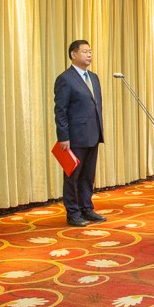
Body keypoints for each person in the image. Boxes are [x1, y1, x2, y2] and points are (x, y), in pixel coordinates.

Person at [54, 40, 106, 227]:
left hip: (93, 134)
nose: (89, 54)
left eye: (90, 51)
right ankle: (73, 213)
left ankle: (86, 208)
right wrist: (63, 137)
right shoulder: (65, 79)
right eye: (85, 51)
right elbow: (60, 111)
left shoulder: (94, 77)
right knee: (73, 177)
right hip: (75, 137)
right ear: (73, 54)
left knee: (87, 175)